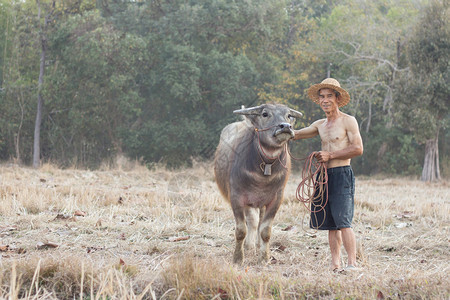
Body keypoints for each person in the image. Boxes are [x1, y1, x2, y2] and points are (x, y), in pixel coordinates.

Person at [293, 78, 363, 272]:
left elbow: (358, 148)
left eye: (329, 96)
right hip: (324, 176)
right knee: (331, 223)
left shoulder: (348, 121)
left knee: (343, 221)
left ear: (337, 98)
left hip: (342, 174)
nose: (325, 100)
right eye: (321, 96)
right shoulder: (320, 124)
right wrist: (283, 129)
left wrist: (330, 155)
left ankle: (352, 264)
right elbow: (297, 134)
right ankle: (335, 264)